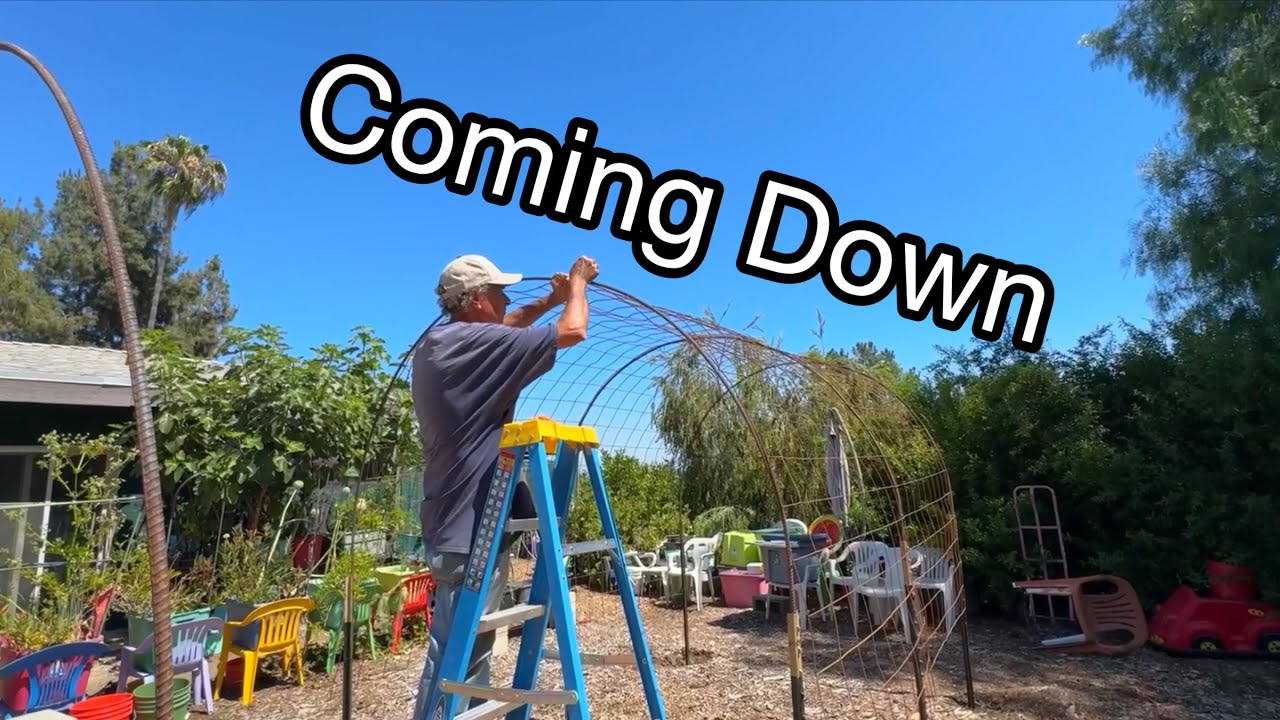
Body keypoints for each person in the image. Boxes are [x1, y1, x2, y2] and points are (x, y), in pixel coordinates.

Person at [410, 253, 598, 719]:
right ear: (475, 300)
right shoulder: (471, 345)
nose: (506, 298)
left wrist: (546, 299)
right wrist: (576, 288)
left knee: (460, 656)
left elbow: (510, 323)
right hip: (467, 533)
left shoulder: (443, 342)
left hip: (454, 525)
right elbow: (573, 331)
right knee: (456, 662)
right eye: (497, 292)